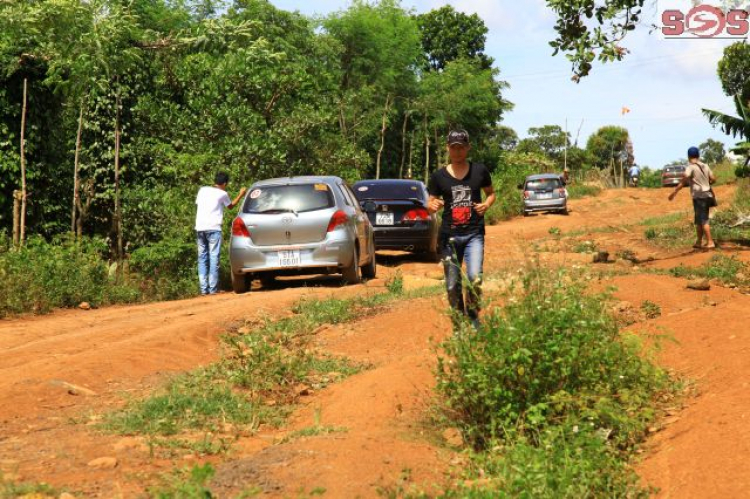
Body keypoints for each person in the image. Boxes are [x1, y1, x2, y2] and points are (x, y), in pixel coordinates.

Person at [427, 129, 496, 329]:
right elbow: (430, 201)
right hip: (449, 237)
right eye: (453, 148)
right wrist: (431, 206)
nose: (457, 152)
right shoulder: (438, 176)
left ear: (468, 148)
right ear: (448, 148)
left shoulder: (480, 171)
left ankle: (473, 317)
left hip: (474, 234)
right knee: (452, 284)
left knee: (474, 278)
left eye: (461, 147)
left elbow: (491, 194)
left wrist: (487, 204)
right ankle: (458, 323)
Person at [195, 172, 247, 295]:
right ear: (224, 183)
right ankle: (213, 289)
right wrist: (241, 194)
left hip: (200, 227)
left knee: (202, 258)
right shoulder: (223, 194)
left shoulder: (202, 190)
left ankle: (204, 289)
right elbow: (230, 206)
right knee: (213, 257)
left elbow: (199, 204)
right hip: (213, 228)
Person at [668, 147, 716, 250]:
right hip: (708, 195)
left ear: (689, 156)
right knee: (699, 220)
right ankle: (698, 242)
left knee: (703, 220)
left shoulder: (691, 167)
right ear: (698, 155)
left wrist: (674, 192)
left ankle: (710, 242)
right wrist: (706, 184)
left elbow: (684, 179)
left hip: (699, 197)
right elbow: (713, 178)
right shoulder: (705, 166)